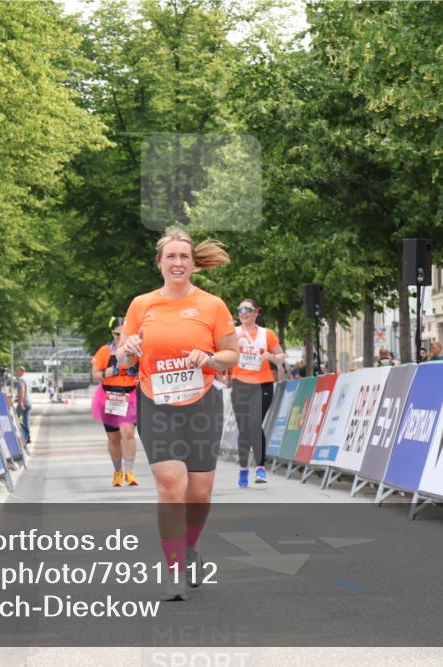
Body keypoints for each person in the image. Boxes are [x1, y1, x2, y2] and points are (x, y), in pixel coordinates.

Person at [117, 226, 239, 601]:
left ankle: (189, 547)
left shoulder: (212, 305)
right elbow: (122, 355)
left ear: (193, 264)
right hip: (157, 403)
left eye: (184, 256)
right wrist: (130, 347)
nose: (178, 262)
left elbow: (231, 354)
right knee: (172, 485)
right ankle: (173, 570)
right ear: (159, 263)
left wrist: (210, 357)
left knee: (199, 492)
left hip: (202, 402)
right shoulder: (141, 305)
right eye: (170, 256)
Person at [230, 299, 285, 487]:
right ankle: (244, 468)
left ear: (256, 313)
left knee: (254, 423)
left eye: (248, 309)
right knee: (244, 428)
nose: (243, 313)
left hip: (262, 384)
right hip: (240, 383)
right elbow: (221, 354)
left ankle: (261, 467)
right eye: (240, 309)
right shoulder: (233, 333)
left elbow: (281, 356)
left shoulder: (266, 334)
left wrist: (270, 356)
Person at [91, 317, 140, 488]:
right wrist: (108, 372)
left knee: (127, 432)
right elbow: (95, 374)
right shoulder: (105, 351)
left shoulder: (136, 349)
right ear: (113, 333)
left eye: (124, 333)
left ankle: (130, 472)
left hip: (131, 395)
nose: (121, 337)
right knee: (113, 438)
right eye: (118, 334)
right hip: (110, 396)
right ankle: (118, 471)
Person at [15, 366, 32, 445]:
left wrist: (20, 402)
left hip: (23, 402)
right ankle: (28, 437)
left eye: (17, 371)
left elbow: (22, 391)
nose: (16, 372)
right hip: (29, 402)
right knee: (26, 420)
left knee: (14, 417)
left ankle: (14, 435)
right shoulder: (27, 379)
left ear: (21, 371)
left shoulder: (21, 379)